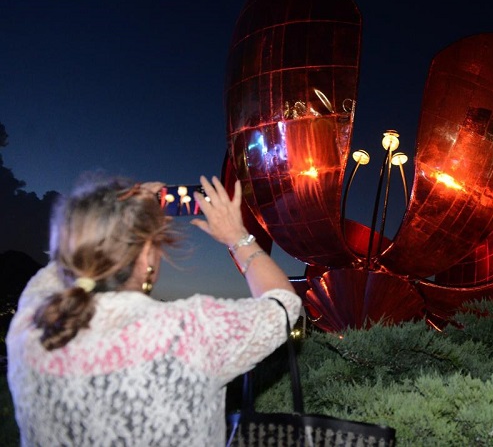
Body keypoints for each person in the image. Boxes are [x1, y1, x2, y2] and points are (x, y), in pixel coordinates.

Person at [6, 174, 301, 446]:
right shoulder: (190, 330)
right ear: (147, 255)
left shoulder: (31, 326)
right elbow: (283, 305)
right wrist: (237, 237)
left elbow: (59, 270)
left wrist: (103, 225)